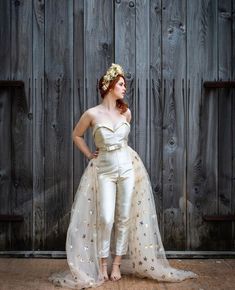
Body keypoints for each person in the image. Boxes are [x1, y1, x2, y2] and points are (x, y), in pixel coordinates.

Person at [48, 64, 197, 289]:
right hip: (103, 170)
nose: (124, 88)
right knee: (106, 217)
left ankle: (116, 264)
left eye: (124, 84)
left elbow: (123, 141)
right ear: (109, 86)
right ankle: (101, 264)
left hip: (127, 168)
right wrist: (90, 153)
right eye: (120, 84)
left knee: (124, 216)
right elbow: (76, 135)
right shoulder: (92, 114)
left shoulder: (125, 112)